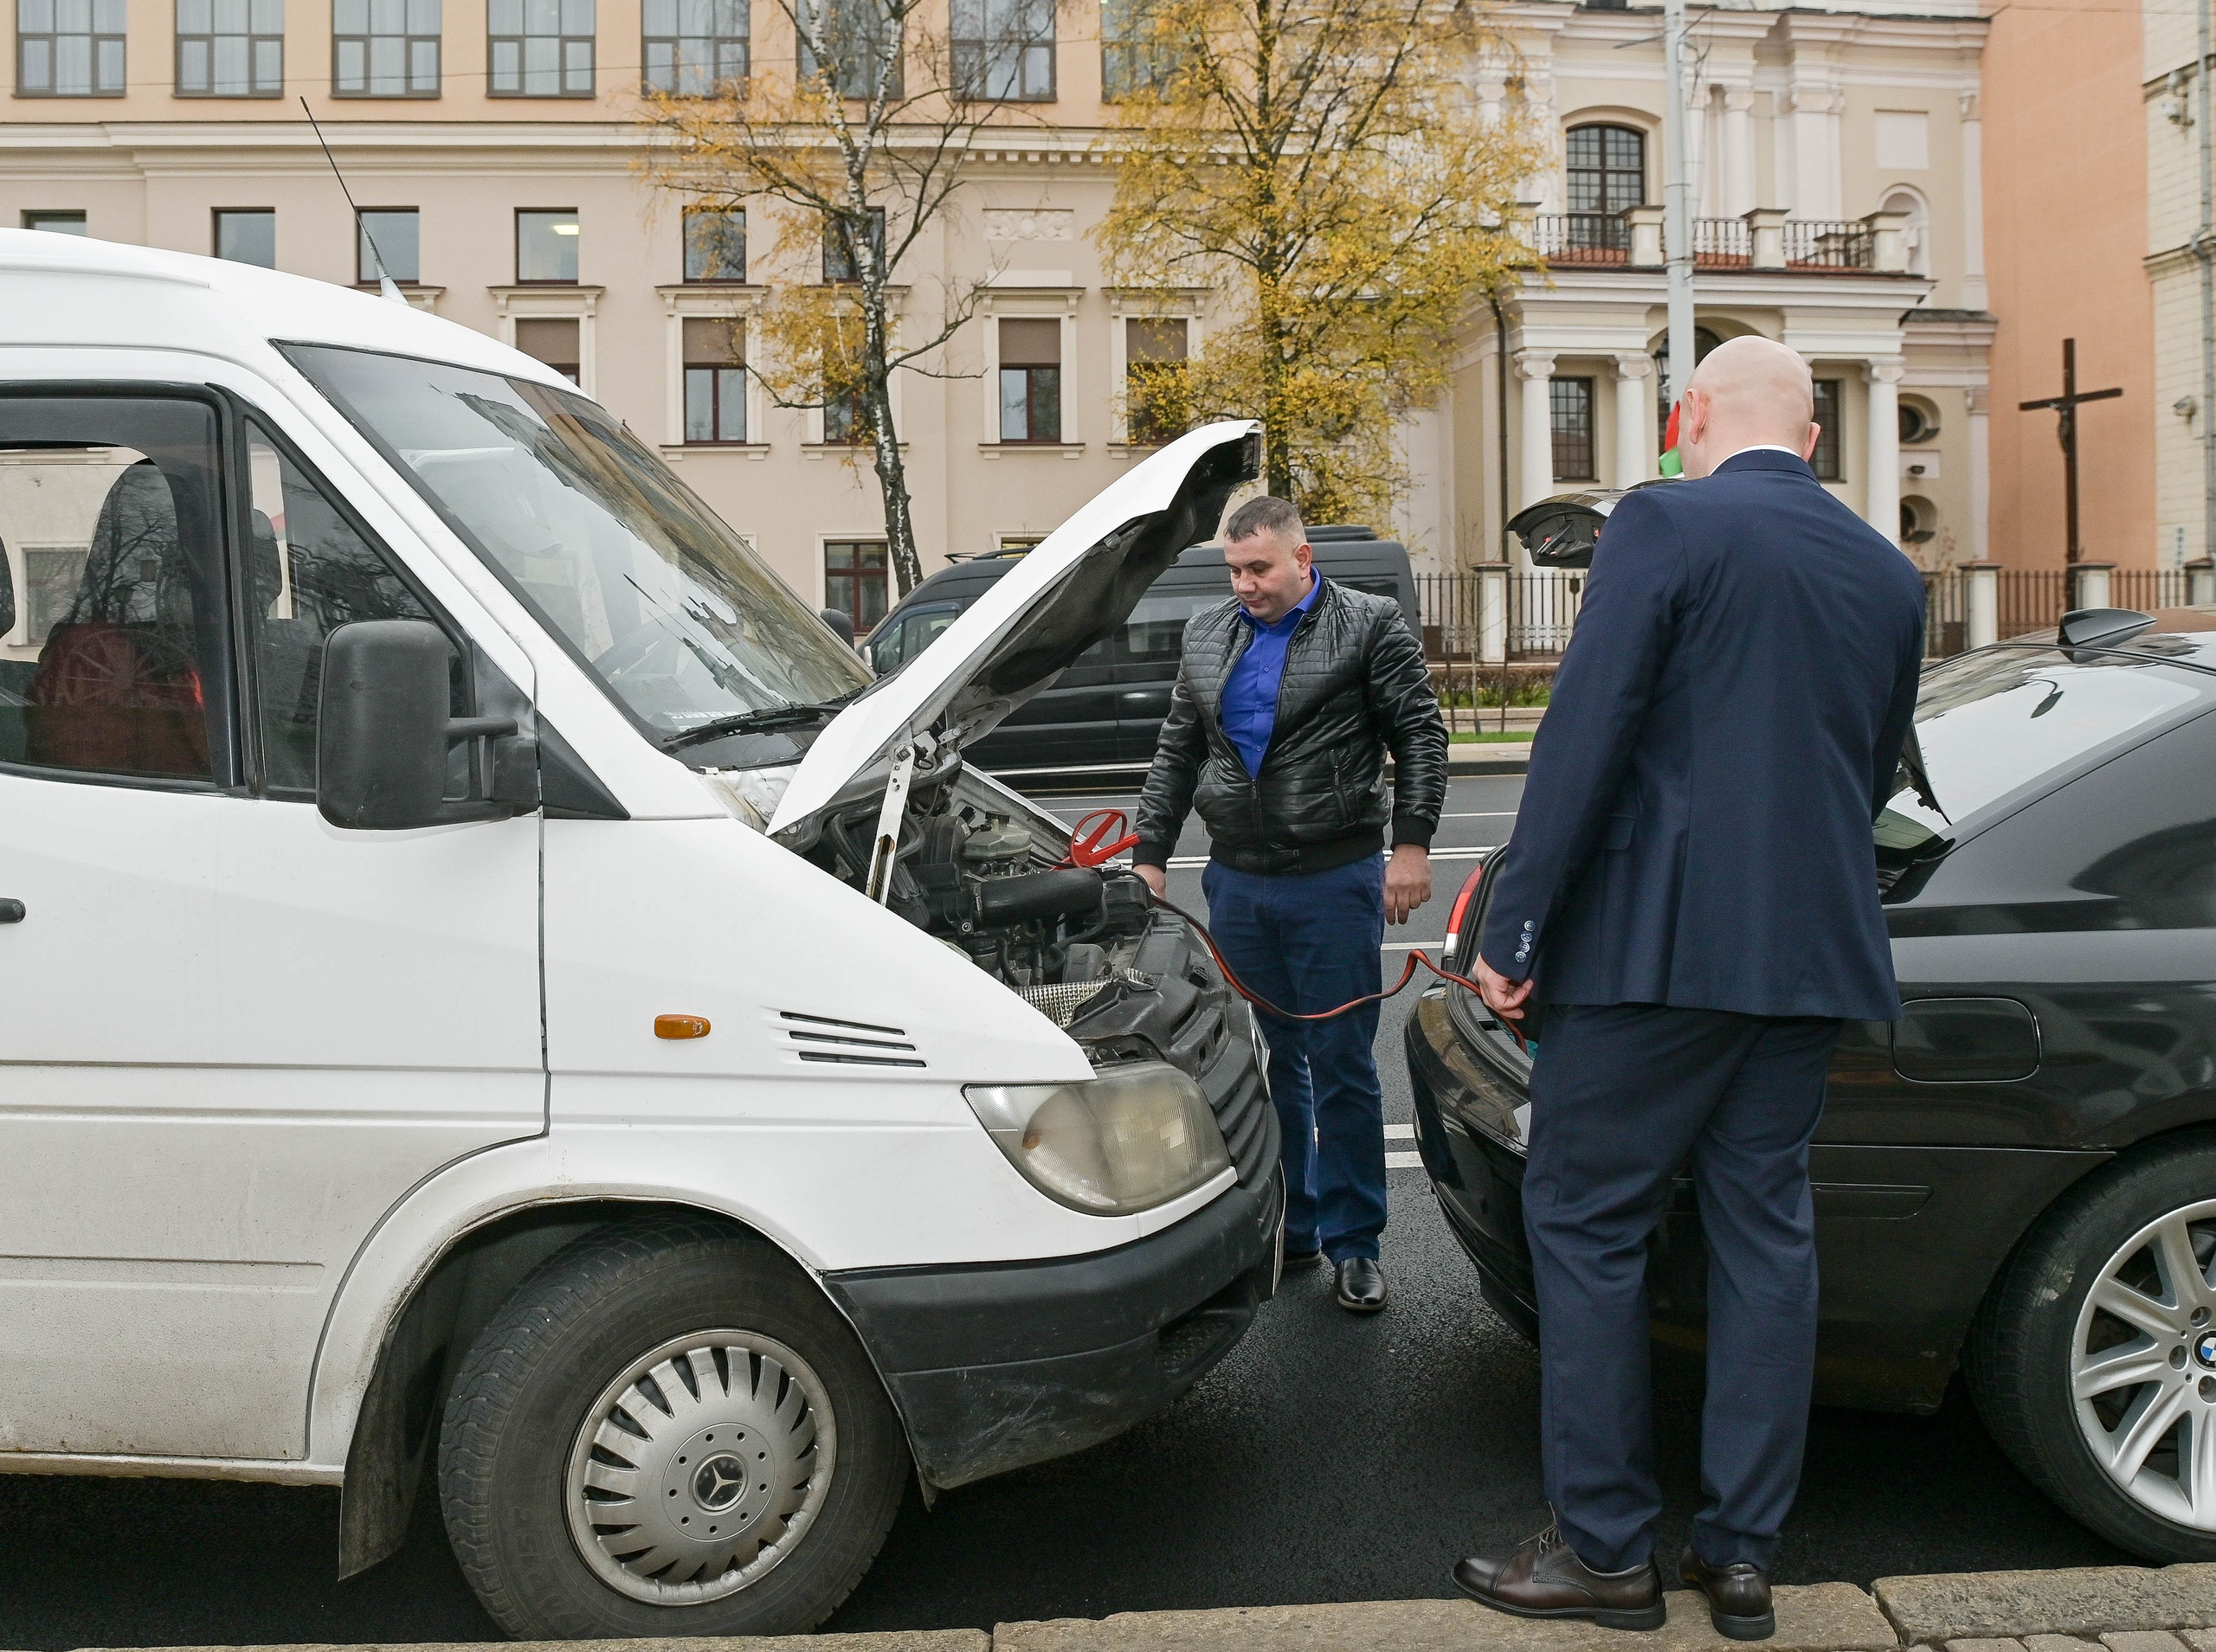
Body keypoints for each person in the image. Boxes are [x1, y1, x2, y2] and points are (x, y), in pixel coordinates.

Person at [1452, 337, 1925, 1638]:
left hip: (1652, 958)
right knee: (1765, 1236)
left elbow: (1586, 733)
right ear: (1815, 437)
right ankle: (1742, 1555)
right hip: (1809, 959)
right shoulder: (1889, 572)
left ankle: (1605, 1552)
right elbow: (1874, 768)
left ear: (1687, 417)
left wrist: (1518, 925)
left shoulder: (1663, 521)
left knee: (1590, 1223)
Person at [1132, 497, 1446, 1314]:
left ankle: (1356, 1244)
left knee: (1341, 1061)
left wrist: (1411, 847)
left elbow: (1418, 732)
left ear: (1303, 559)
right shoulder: (1207, 633)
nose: (1244, 584)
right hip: (1238, 881)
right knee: (1275, 1060)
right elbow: (1177, 750)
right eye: (1234, 570)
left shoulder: (1368, 623)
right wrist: (1150, 858)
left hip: (1333, 879)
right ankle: (1296, 1224)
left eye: (1259, 568)